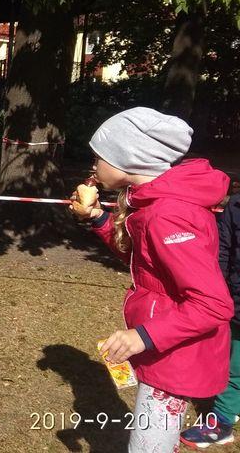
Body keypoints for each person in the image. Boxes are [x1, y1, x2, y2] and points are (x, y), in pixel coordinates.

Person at [70, 107, 233, 452]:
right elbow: (147, 262)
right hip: (165, 343)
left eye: (99, 157)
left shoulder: (167, 215)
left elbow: (213, 304)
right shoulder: (153, 204)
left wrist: (142, 336)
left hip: (175, 352)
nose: (94, 166)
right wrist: (98, 217)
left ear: (129, 158)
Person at [179, 188, 240, 448]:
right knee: (233, 365)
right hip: (237, 303)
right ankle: (223, 420)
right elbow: (223, 253)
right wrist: (218, 294)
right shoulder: (235, 206)